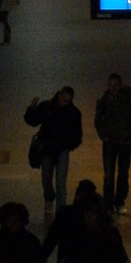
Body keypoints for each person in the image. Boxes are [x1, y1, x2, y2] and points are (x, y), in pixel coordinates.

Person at [24, 87, 83, 218]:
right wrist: (32, 107)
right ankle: (49, 198)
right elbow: (32, 121)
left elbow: (78, 135)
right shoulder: (47, 107)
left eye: (68, 101)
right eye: (63, 99)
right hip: (47, 150)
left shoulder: (73, 113)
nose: (64, 103)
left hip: (62, 151)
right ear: (59, 95)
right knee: (46, 179)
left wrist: (68, 145)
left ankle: (61, 213)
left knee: (61, 183)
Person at [94, 73, 131, 216]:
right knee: (108, 175)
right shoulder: (103, 101)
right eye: (110, 85)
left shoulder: (129, 100)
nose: (112, 88)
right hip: (109, 143)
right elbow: (98, 121)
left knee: (123, 174)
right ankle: (108, 204)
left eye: (115, 85)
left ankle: (119, 202)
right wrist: (104, 135)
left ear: (120, 86)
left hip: (124, 143)